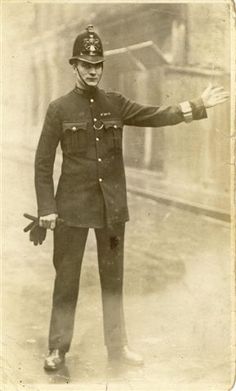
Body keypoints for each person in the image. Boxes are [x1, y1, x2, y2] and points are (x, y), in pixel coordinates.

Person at [34, 25, 229, 371]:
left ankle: (117, 347)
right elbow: (43, 163)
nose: (93, 70)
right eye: (86, 64)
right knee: (66, 280)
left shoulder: (116, 104)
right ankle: (58, 350)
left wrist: (197, 104)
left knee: (114, 280)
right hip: (71, 210)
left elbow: (156, 115)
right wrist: (47, 209)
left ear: (102, 66)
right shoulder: (58, 109)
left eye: (98, 65)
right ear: (74, 65)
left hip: (112, 208)